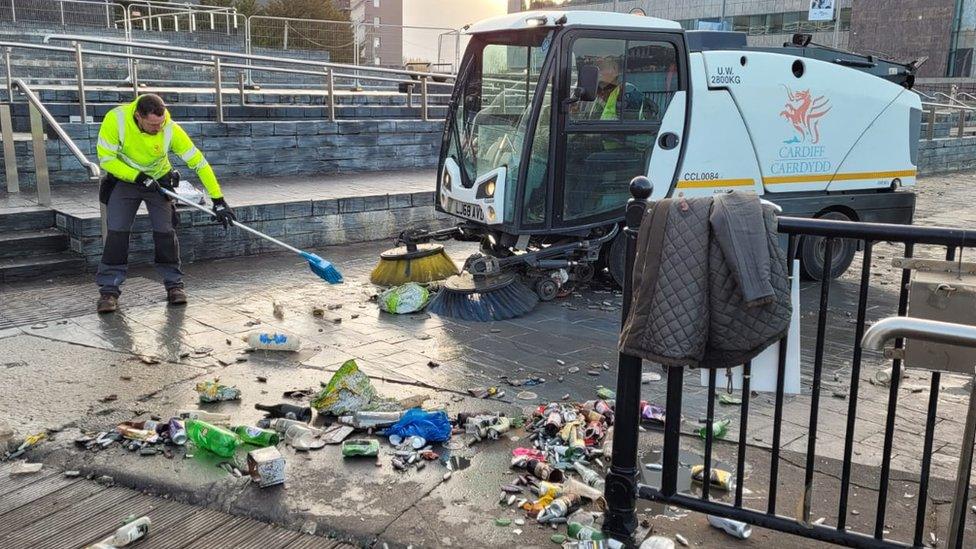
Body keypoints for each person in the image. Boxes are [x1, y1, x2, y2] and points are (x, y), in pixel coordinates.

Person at [94, 94, 235, 313]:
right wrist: (139, 177)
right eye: (152, 125)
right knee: (117, 232)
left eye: (161, 123)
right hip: (124, 179)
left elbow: (199, 163)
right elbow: (106, 159)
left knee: (165, 231)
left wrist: (218, 200)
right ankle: (109, 290)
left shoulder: (169, 127)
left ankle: (174, 285)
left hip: (159, 180)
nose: (158, 129)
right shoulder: (116, 120)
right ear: (138, 116)